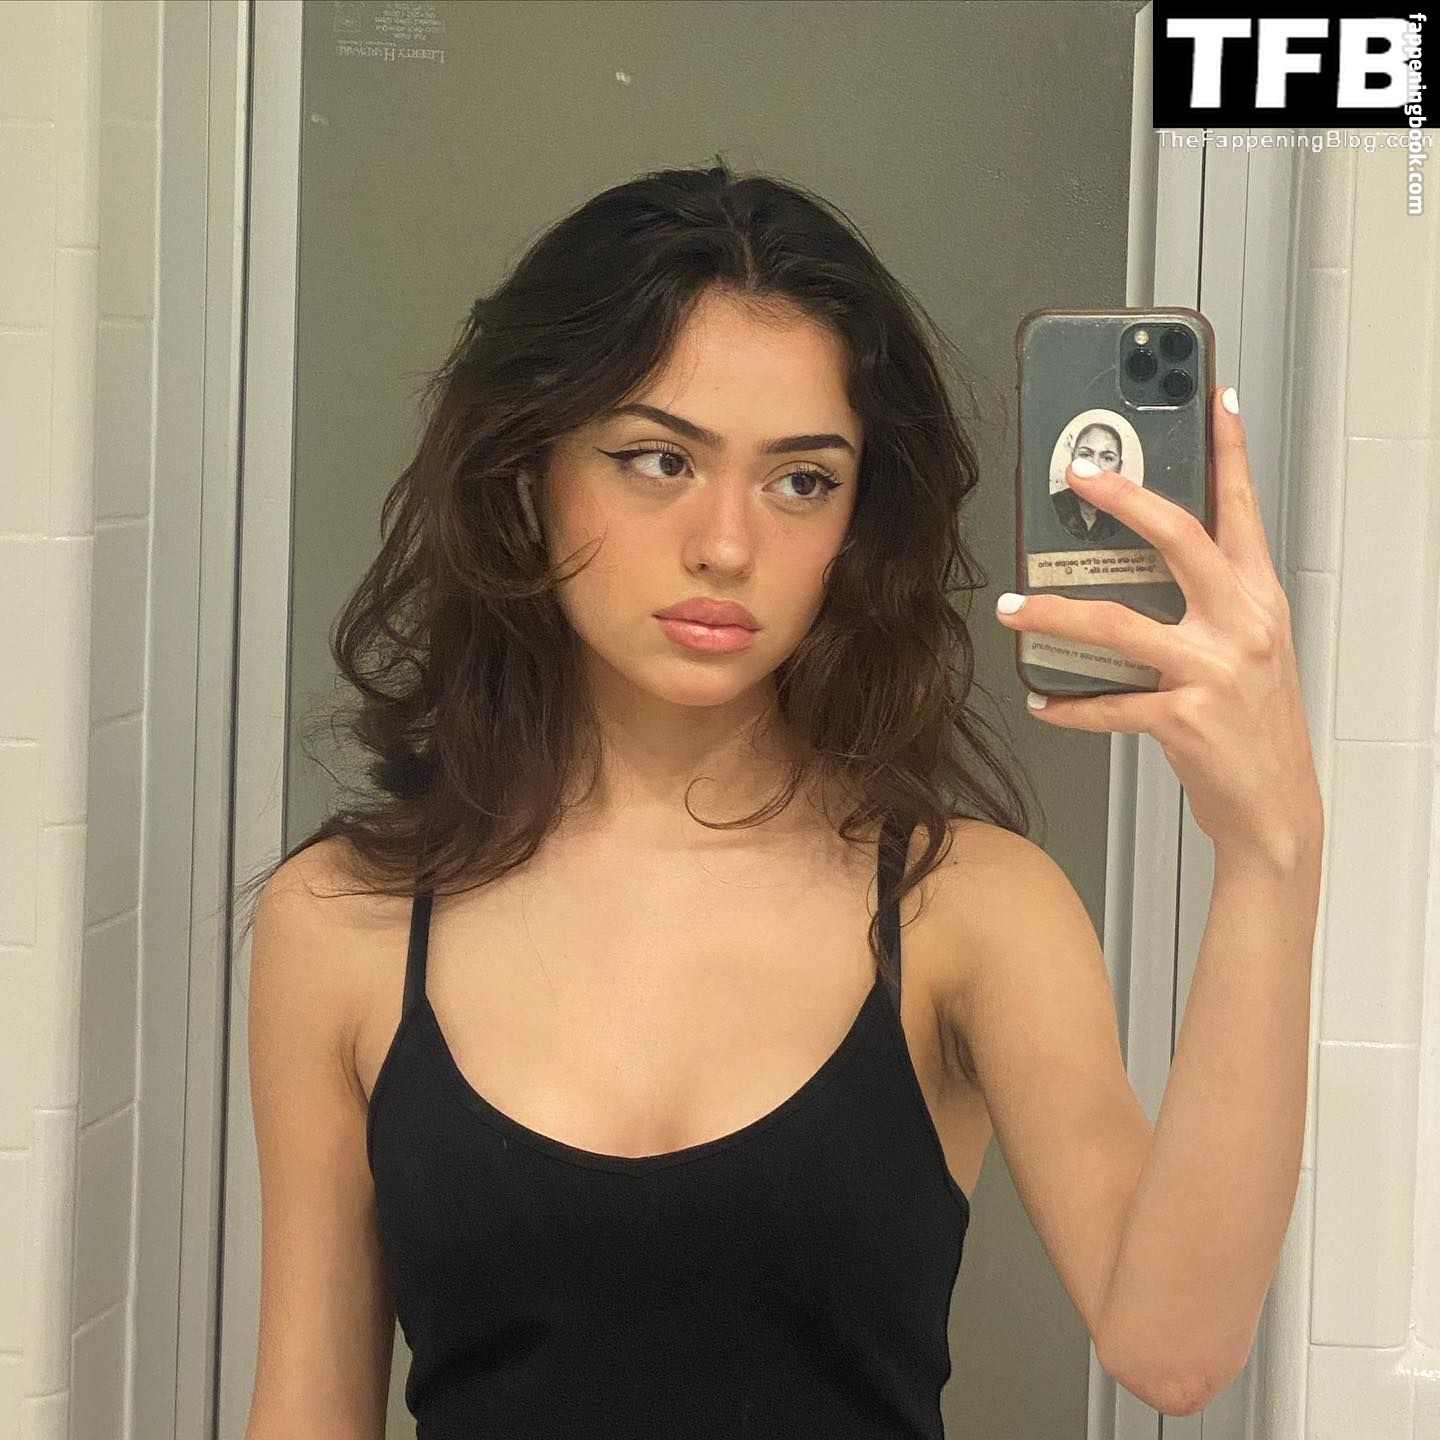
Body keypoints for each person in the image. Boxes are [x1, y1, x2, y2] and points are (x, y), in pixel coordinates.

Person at [239, 161, 1323, 1439]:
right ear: (529, 471)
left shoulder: (969, 910)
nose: (727, 544)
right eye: (657, 460)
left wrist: (1272, 850)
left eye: (801, 480)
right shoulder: (344, 921)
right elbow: (307, 1412)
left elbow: (1176, 1349)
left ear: (858, 522)